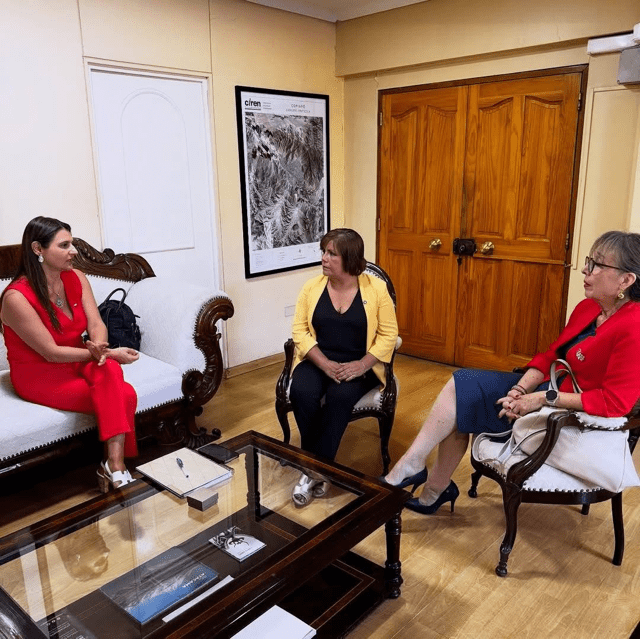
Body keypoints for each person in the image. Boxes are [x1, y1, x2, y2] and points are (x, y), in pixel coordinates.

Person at [384, 230, 640, 514]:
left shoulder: (634, 327)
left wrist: (541, 399)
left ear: (626, 280)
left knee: (462, 402)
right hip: (549, 389)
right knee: (463, 386)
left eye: (597, 264)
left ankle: (426, 482)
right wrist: (520, 389)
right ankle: (421, 474)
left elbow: (615, 402)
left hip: (571, 414)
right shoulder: (588, 307)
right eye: (589, 261)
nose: (586, 270)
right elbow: (552, 355)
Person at [0, 217, 139, 491]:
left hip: (77, 359)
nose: (73, 251)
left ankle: (114, 465)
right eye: (64, 245)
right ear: (38, 249)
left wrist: (100, 348)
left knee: (110, 370)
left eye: (71, 244)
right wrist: (109, 354)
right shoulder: (16, 298)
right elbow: (50, 353)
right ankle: (114, 465)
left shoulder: (76, 277)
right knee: (125, 394)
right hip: (40, 375)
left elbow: (96, 324)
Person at [289, 228, 399, 507]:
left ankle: (311, 470)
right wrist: (324, 363)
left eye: (331, 254)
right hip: (318, 359)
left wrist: (362, 364)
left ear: (349, 259)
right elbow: (299, 331)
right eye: (323, 252)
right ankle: (319, 469)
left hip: (360, 365)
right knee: (302, 391)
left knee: (338, 397)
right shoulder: (311, 287)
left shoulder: (376, 289)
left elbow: (389, 335)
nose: (323, 258)